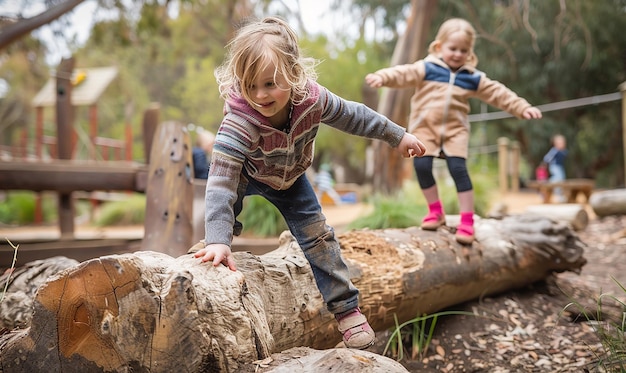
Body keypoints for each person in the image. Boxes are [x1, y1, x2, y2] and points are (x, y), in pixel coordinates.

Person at [192, 16, 426, 350]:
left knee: (319, 238)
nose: (260, 94)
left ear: (293, 72)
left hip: (292, 179)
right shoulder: (238, 123)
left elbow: (356, 116)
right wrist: (218, 238)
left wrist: (397, 136)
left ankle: (347, 311)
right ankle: (213, 246)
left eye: (270, 84)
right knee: (224, 216)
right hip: (247, 172)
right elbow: (220, 182)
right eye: (250, 85)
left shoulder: (312, 100)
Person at [365, 18, 542, 244]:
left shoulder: (472, 77)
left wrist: (522, 107)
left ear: (470, 53)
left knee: (458, 169)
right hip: (425, 128)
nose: (458, 54)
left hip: (455, 131)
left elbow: (499, 93)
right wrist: (382, 76)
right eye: (453, 49)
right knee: (421, 165)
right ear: (439, 47)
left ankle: (467, 220)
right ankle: (435, 211)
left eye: (463, 50)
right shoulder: (427, 68)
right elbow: (403, 73)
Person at [543, 134, 568, 201]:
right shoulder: (554, 151)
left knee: (561, 179)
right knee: (558, 179)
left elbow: (565, 154)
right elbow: (546, 158)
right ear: (555, 144)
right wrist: (549, 162)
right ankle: (557, 194)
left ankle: (560, 195)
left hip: (560, 167)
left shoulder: (562, 151)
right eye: (560, 143)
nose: (562, 144)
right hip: (554, 167)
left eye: (562, 143)